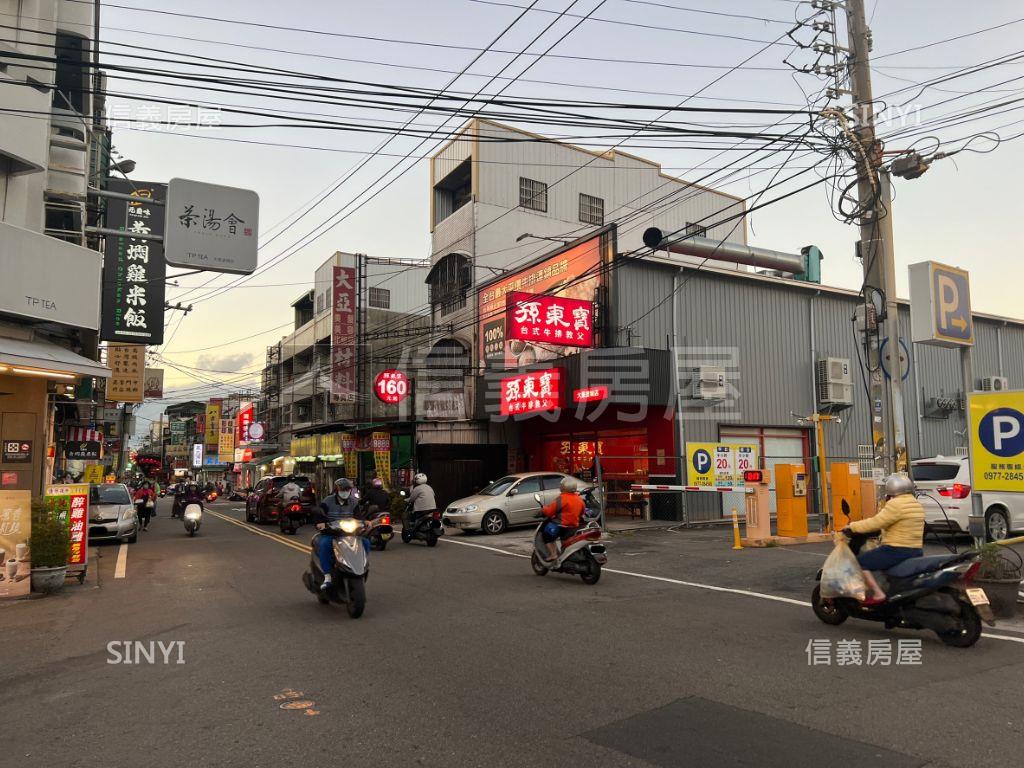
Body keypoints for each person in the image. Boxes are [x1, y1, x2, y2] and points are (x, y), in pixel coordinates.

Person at [844, 473, 925, 604]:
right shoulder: (916, 504)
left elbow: (875, 523)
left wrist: (852, 527)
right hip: (915, 549)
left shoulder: (895, 504)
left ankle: (878, 593)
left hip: (896, 549)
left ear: (892, 489)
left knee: (860, 563)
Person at [312, 478, 366, 590]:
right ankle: (327, 576)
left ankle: (361, 567)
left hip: (349, 534)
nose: (345, 491)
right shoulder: (328, 501)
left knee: (365, 543)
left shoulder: (353, 502)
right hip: (332, 533)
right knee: (324, 544)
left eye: (348, 489)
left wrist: (365, 523)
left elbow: (358, 517)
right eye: (343, 489)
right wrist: (320, 523)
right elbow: (319, 514)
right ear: (337, 490)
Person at [539, 476, 585, 564]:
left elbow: (549, 512)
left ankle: (553, 554)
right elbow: (582, 513)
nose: (560, 487)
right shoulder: (579, 499)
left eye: (561, 485)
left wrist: (543, 509)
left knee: (546, 535)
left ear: (564, 487)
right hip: (574, 527)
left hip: (561, 526)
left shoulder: (561, 498)